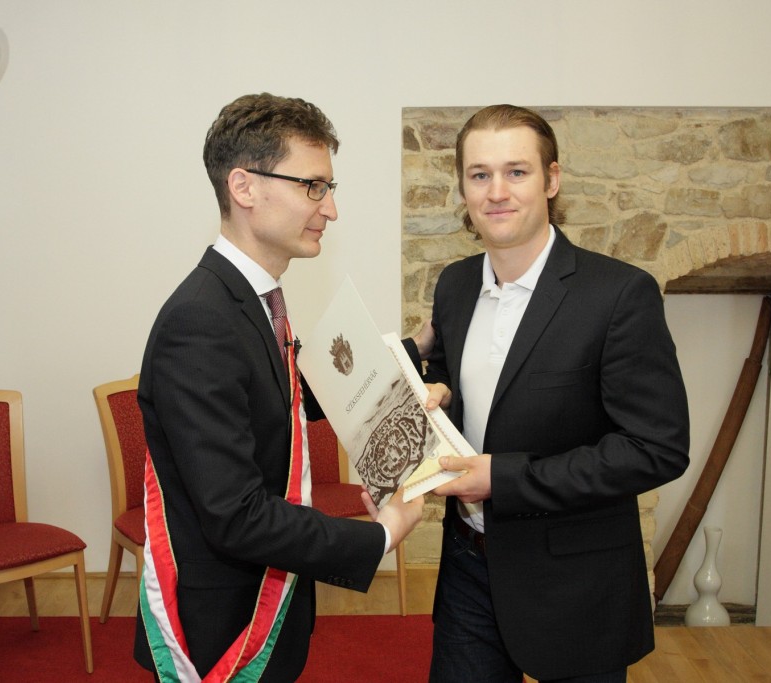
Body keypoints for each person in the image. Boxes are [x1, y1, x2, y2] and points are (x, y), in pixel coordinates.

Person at [134, 92, 423, 682]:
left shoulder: (250, 298)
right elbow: (235, 515)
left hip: (267, 593)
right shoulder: (201, 320)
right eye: (313, 186)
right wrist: (379, 536)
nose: (330, 208)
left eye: (328, 187)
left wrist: (413, 359)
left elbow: (286, 395)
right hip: (222, 625)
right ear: (244, 187)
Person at [410, 104, 690, 682]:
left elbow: (657, 448)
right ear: (462, 187)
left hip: (576, 586)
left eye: (516, 172)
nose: (496, 192)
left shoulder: (619, 295)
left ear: (552, 179)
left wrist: (504, 478)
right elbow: (465, 389)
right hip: (467, 569)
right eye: (480, 174)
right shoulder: (455, 285)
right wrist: (442, 396)